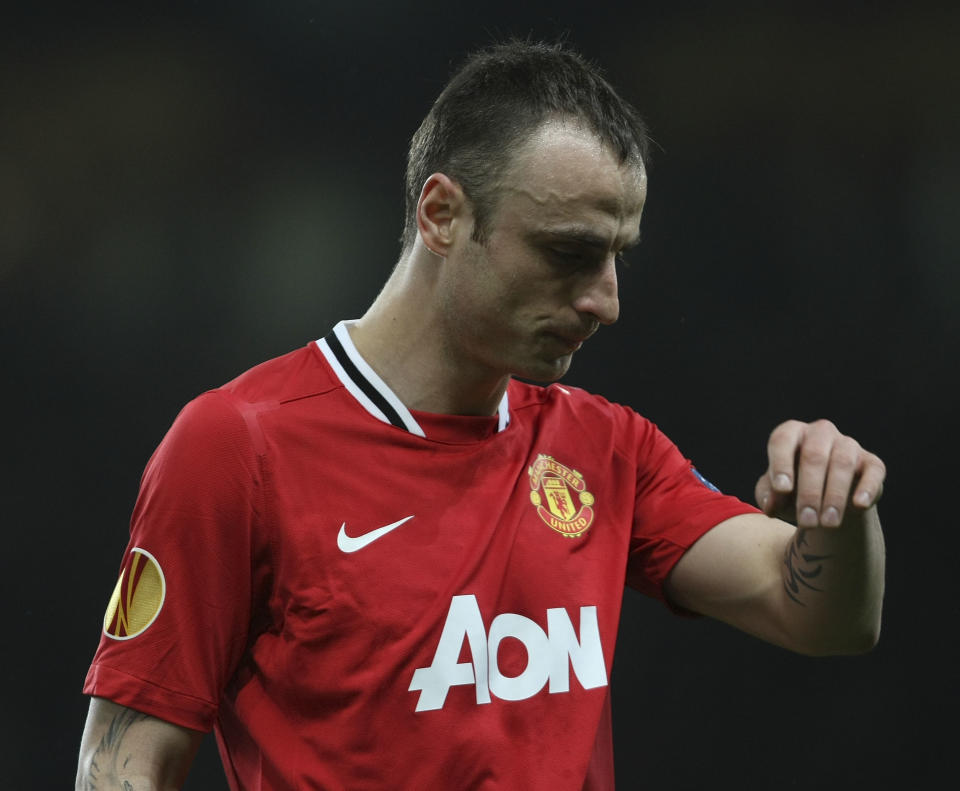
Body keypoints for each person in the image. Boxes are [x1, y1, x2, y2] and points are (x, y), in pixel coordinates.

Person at [76, 40, 886, 791]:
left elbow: (820, 615)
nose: (606, 301)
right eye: (568, 253)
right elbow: (123, 762)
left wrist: (839, 508)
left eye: (618, 256)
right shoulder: (237, 445)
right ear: (442, 215)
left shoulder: (604, 447)